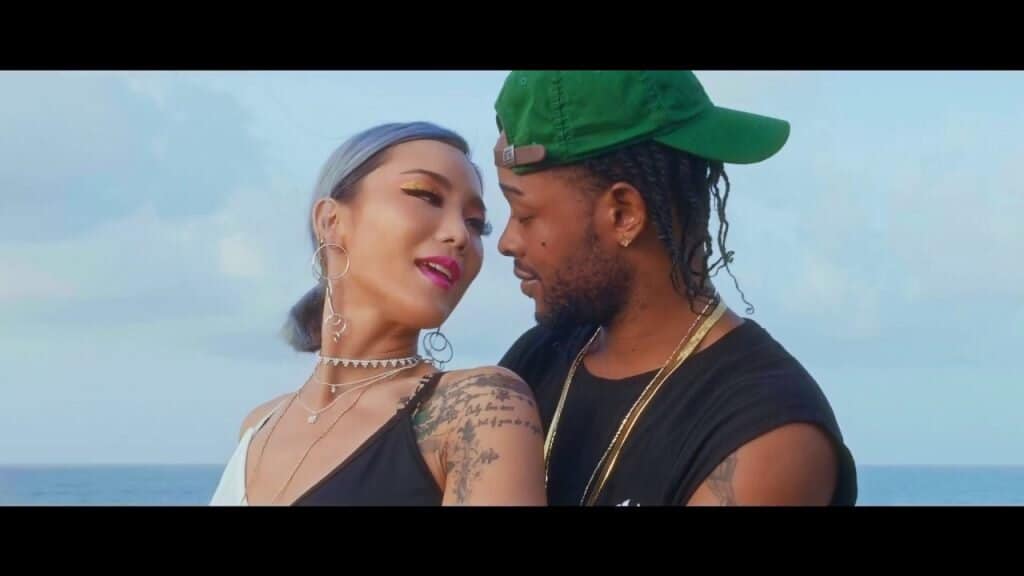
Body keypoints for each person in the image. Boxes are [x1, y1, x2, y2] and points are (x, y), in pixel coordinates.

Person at [493, 71, 857, 506]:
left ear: (624, 214)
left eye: (525, 214)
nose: (506, 241)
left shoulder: (766, 436)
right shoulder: (537, 359)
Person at [210, 122, 545, 506]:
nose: (459, 235)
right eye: (426, 195)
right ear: (331, 222)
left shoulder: (477, 408)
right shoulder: (257, 427)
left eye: (475, 223)